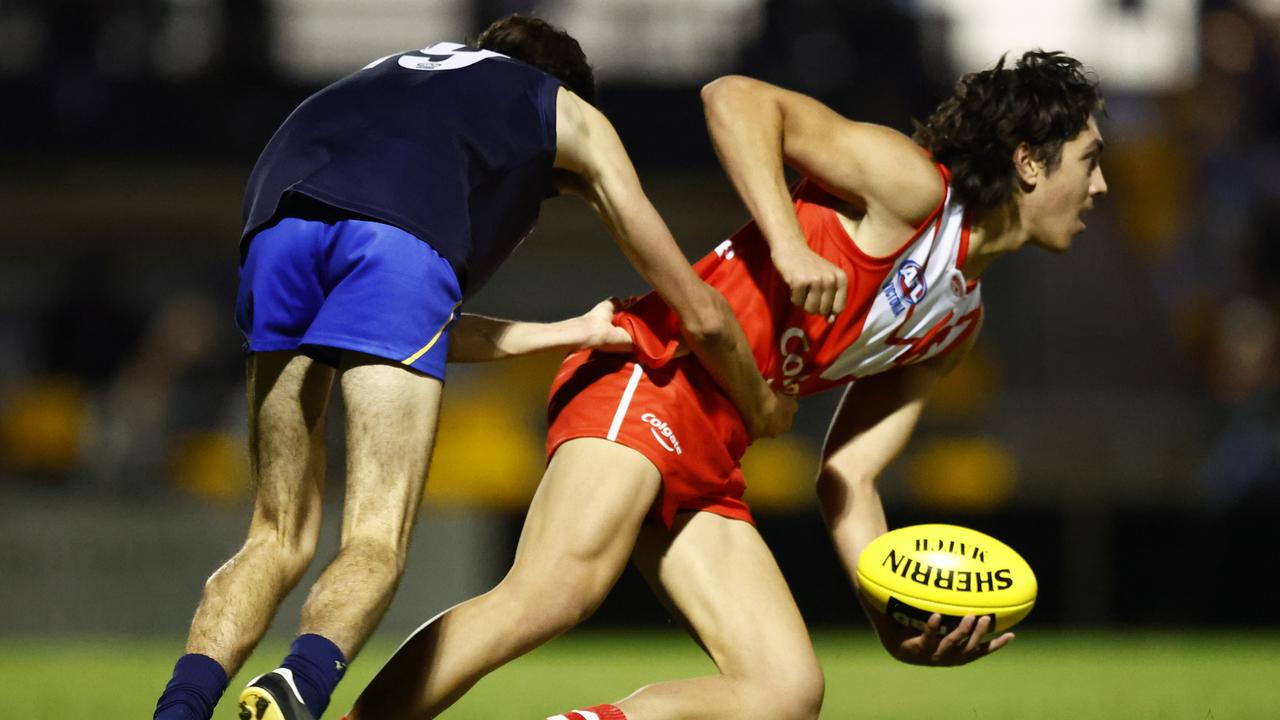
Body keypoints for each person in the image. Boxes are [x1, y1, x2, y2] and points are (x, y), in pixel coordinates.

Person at [343, 49, 1107, 720]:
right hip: (653, 369)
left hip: (715, 440)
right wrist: (786, 241)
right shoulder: (912, 188)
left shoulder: (955, 325)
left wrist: (897, 617)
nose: (1102, 185)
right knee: (551, 593)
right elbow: (734, 98)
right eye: (1089, 159)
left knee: (785, 693)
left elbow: (849, 476)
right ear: (1029, 161)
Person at [150, 14, 798, 720]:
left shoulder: (395, 75)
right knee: (373, 538)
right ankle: (298, 686)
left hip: (274, 222)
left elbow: (409, 330)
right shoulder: (565, 108)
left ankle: (180, 708)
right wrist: (761, 402)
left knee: (275, 534)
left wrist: (568, 330)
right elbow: (697, 307)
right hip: (394, 239)